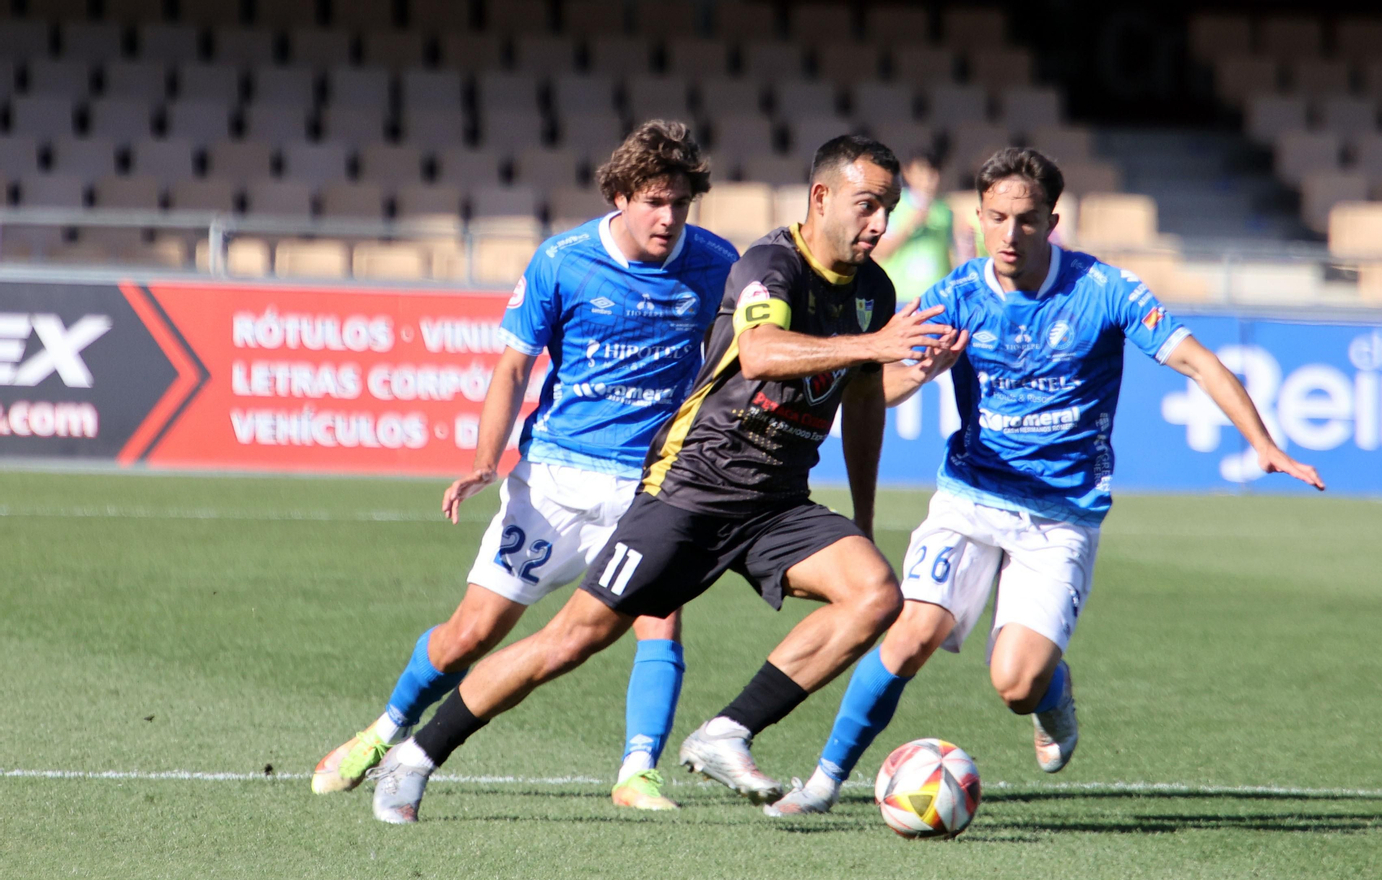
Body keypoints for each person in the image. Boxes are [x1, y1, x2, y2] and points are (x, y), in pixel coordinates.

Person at [366, 135, 966, 824]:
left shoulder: (873, 291)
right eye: (868, 206)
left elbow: (859, 400)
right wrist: (877, 345)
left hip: (776, 502)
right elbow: (761, 352)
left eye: (889, 208)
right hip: (693, 489)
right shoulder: (769, 264)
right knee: (572, 640)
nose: (881, 224)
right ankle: (416, 756)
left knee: (875, 594)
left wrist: (864, 514)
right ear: (821, 197)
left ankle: (727, 732)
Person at [765, 147, 1325, 817]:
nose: (1010, 234)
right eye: (996, 218)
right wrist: (921, 370)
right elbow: (874, 391)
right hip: (971, 496)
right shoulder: (957, 295)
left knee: (1015, 683)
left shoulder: (1104, 290)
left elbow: (1200, 363)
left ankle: (1051, 695)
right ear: (977, 218)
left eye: (1026, 220)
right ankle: (824, 782)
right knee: (910, 634)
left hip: (1061, 515)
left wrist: (1263, 443)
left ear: (1051, 222)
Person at [311, 121, 738, 811]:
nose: (669, 218)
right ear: (621, 196)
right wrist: (486, 462)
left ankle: (637, 772)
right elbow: (513, 366)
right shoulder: (563, 261)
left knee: (659, 619)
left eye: (681, 203)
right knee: (471, 634)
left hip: (652, 484)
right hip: (556, 481)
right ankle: (383, 731)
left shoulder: (718, 262)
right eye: (655, 201)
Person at [873, 148, 954, 305]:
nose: (928, 180)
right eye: (922, 173)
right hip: (901, 297)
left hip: (937, 298)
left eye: (933, 173)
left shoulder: (945, 211)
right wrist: (910, 225)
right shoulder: (894, 207)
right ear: (907, 173)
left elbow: (949, 254)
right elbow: (881, 251)